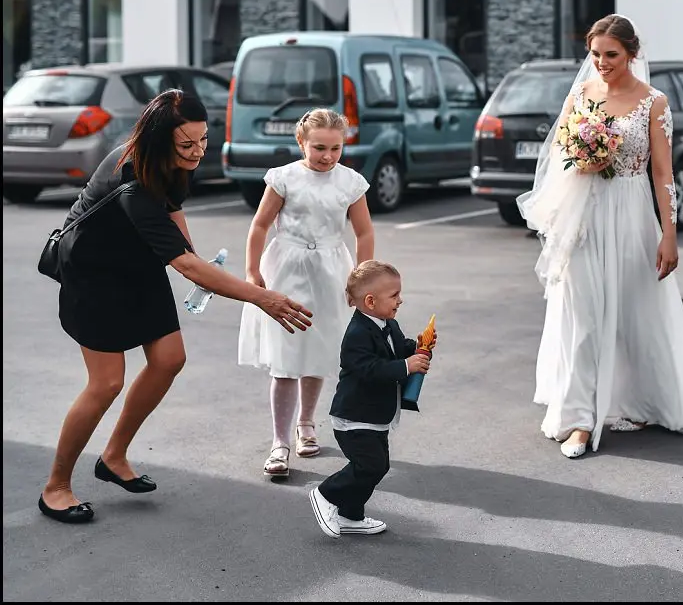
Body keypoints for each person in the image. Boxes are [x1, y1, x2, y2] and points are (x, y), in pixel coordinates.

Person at [40, 89, 313, 524]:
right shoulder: (132, 182)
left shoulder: (170, 162)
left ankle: (113, 457)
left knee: (169, 359)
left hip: (136, 265)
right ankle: (55, 486)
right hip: (93, 277)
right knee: (106, 383)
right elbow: (183, 264)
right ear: (159, 141)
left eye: (203, 140)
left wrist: (196, 257)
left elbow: (174, 213)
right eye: (187, 145)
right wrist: (262, 296)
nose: (198, 152)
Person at [517, 13, 683, 459]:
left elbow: (663, 173)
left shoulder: (654, 103)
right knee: (582, 316)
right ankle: (580, 418)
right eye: (595, 54)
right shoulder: (580, 94)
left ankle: (639, 401)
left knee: (635, 313)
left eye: (611, 55)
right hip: (584, 217)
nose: (601, 62)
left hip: (633, 214)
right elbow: (559, 150)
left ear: (632, 54)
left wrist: (669, 234)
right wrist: (582, 158)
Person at [238, 109, 373, 478]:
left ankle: (307, 423)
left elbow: (363, 233)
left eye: (335, 148)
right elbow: (260, 225)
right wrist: (253, 271)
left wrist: (361, 278)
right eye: (318, 148)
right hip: (287, 269)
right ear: (302, 143)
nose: (327, 156)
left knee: (318, 350)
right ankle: (279, 442)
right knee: (285, 358)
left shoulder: (351, 182)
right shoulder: (284, 179)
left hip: (332, 271)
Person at [308, 261, 433, 537]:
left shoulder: (389, 323)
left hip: (375, 415)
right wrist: (406, 366)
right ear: (370, 301)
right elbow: (369, 369)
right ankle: (326, 495)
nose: (400, 300)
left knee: (378, 466)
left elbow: (398, 349)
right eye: (394, 295)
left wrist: (419, 347)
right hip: (353, 417)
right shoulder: (357, 334)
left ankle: (350, 515)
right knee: (369, 465)